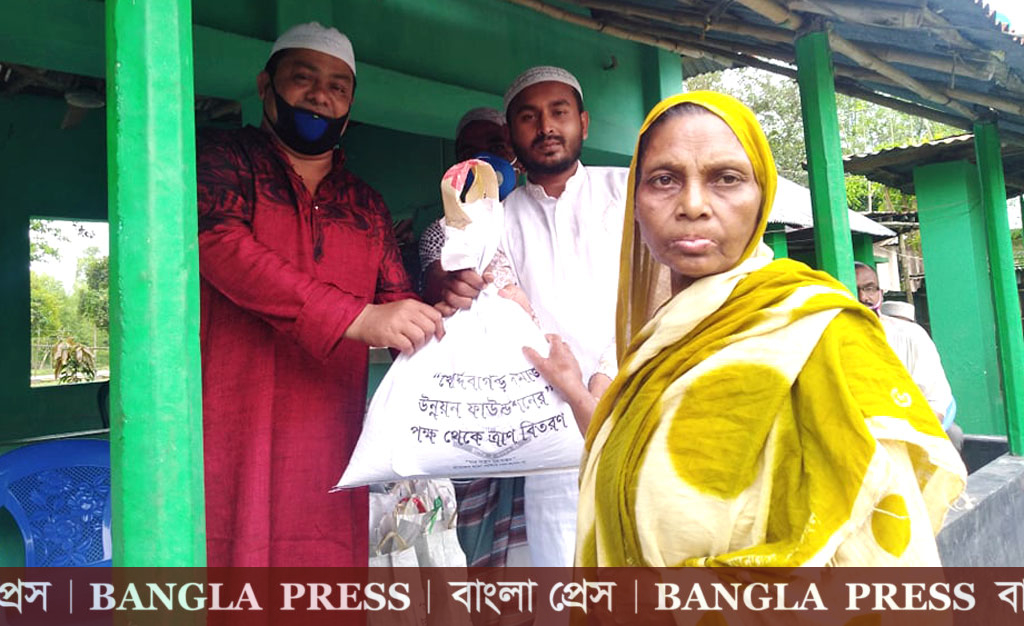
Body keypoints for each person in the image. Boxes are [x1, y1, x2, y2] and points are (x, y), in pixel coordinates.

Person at [532, 91, 965, 566]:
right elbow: (626, 468)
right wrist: (574, 389)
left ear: (763, 197)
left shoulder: (822, 332)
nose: (693, 204)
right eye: (663, 179)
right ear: (635, 203)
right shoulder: (653, 346)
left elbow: (881, 551)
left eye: (727, 178)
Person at [196, 22, 443, 566]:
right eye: (303, 79)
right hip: (228, 433)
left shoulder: (367, 205)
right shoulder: (223, 160)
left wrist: (447, 297)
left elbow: (398, 303)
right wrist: (356, 318)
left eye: (337, 86)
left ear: (350, 105)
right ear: (266, 86)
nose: (320, 96)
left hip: (329, 445)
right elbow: (219, 247)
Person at [438, 66, 628, 567]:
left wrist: (608, 374)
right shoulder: (497, 221)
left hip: (641, 415)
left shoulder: (629, 192)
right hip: (553, 446)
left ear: (583, 123)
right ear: (512, 135)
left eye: (559, 112)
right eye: (529, 117)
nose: (546, 127)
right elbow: (507, 317)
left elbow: (656, 295)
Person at [855, 262, 962, 448]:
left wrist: (909, 442)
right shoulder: (825, 342)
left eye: (869, 288)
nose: (863, 297)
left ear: (880, 293)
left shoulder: (910, 335)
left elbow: (936, 402)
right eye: (853, 290)